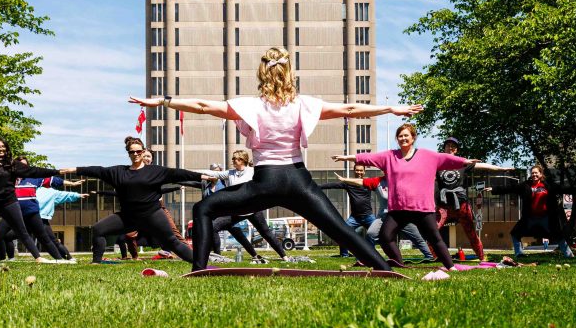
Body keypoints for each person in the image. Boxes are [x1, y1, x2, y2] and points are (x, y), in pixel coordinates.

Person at [131, 45, 422, 273]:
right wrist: (390, 109)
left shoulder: (250, 106)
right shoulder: (304, 104)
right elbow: (350, 108)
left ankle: (200, 268)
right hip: (298, 180)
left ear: (262, 73)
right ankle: (384, 269)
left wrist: (162, 101)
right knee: (342, 231)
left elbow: (204, 106)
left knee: (205, 208)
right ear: (289, 72)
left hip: (266, 183)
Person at [335, 124, 474, 268]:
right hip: (398, 209)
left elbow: (446, 159)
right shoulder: (389, 156)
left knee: (435, 238)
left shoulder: (427, 155)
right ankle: (399, 264)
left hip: (422, 209)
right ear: (397, 139)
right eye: (400, 136)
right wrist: (347, 158)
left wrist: (464, 161)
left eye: (406, 135)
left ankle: (451, 267)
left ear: (413, 138)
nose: (403, 138)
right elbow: (368, 157)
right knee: (385, 237)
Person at [57, 136, 205, 264]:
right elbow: (97, 170)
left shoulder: (155, 171)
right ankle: (96, 262)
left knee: (172, 242)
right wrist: (73, 170)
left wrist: (201, 177)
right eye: (132, 152)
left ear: (143, 151)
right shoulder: (119, 172)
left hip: (152, 214)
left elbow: (179, 173)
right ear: (128, 153)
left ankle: (200, 264)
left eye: (138, 151)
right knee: (98, 229)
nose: (135, 154)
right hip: (129, 217)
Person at [203, 150, 289, 264]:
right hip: (236, 211)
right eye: (233, 159)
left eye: (235, 159)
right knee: (213, 227)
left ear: (242, 160)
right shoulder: (230, 173)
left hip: (253, 209)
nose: (233, 161)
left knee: (265, 233)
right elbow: (216, 174)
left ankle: (284, 257)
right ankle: (218, 257)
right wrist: (194, 173)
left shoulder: (253, 171)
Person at [493, 164, 576, 258]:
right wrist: (494, 189)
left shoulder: (548, 185)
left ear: (541, 174)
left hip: (546, 218)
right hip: (530, 218)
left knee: (558, 235)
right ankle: (519, 253)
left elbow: (563, 189)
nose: (534, 175)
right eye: (532, 173)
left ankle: (569, 255)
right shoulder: (526, 185)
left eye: (536, 173)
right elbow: (510, 188)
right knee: (515, 233)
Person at [0, 167, 86, 262]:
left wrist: (76, 192)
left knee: (49, 239)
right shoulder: (16, 182)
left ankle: (67, 258)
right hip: (19, 215)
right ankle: (9, 258)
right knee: (7, 236)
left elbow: (63, 192)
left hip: (39, 218)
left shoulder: (47, 189)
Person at [432, 137, 501, 262]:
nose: (450, 148)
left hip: (461, 204)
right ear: (444, 149)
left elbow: (482, 165)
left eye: (453, 146)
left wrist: (501, 169)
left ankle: (481, 257)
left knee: (471, 233)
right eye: (448, 146)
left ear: (456, 150)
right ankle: (436, 257)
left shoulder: (463, 163)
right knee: (432, 231)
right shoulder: (438, 164)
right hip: (444, 206)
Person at [319, 162, 379, 257]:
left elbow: (382, 187)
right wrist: (317, 187)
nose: (359, 172)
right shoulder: (349, 184)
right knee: (343, 233)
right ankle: (344, 255)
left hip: (368, 216)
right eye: (357, 170)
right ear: (354, 171)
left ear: (364, 171)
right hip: (354, 218)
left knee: (377, 233)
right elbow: (332, 185)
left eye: (361, 170)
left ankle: (373, 255)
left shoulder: (368, 183)